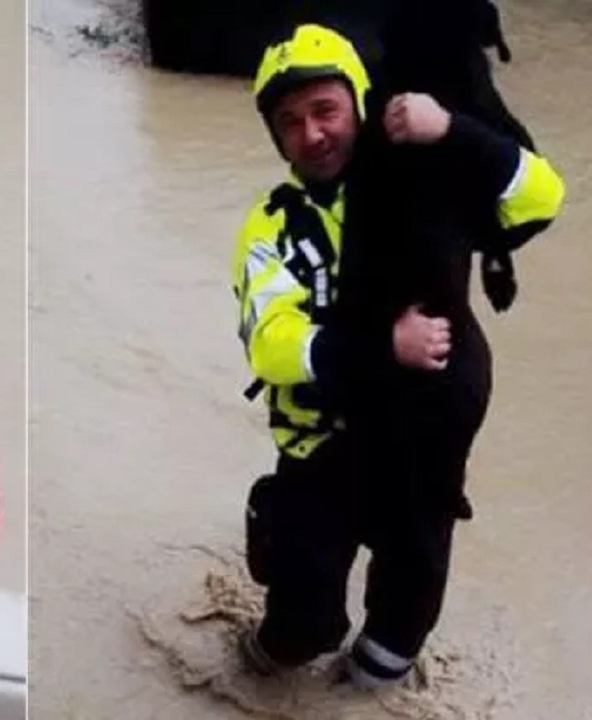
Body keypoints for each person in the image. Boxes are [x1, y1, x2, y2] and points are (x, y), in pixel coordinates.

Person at [231, 23, 565, 688]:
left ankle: (370, 679)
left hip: (419, 442)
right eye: (290, 123)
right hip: (320, 448)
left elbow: (542, 196)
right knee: (297, 633)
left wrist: (453, 130)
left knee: (398, 632)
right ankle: (274, 632)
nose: (313, 135)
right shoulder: (268, 225)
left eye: (325, 110)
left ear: (360, 102)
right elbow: (273, 347)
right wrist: (383, 349)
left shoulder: (427, 177)